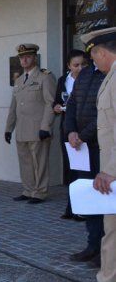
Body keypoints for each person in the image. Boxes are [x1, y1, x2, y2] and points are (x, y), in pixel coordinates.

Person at [75, 26, 116, 282]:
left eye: (94, 57)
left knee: (112, 233)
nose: (95, 63)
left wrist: (110, 170)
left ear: (101, 52)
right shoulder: (110, 77)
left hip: (114, 172)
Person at [65, 44, 107, 266]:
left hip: (101, 146)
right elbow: (71, 105)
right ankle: (93, 245)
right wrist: (70, 130)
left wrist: (82, 134)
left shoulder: (109, 75)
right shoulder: (85, 75)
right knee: (89, 197)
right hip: (82, 147)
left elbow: (106, 114)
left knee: (104, 199)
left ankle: (105, 251)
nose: (91, 57)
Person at [5, 43, 56, 204]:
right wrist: (8, 128)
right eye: (21, 57)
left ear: (35, 58)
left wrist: (46, 126)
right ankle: (28, 190)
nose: (24, 60)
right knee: (25, 162)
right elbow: (13, 106)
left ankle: (40, 192)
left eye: (27, 56)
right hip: (21, 129)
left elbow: (50, 103)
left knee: (39, 162)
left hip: (38, 128)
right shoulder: (19, 80)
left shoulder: (45, 77)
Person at [55, 50, 87, 220]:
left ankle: (82, 209)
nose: (80, 68)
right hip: (67, 128)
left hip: (83, 129)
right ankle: (71, 207)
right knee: (70, 169)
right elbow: (56, 101)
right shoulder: (63, 80)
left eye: (83, 64)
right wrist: (57, 107)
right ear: (69, 66)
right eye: (76, 65)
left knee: (83, 170)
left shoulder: (90, 79)